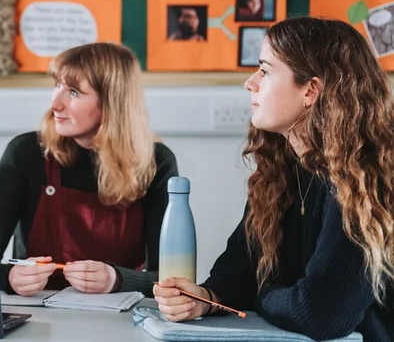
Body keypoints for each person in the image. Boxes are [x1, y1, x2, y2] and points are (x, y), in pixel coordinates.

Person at [154, 17, 394, 342]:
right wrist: (206, 298)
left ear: (311, 90)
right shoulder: (281, 169)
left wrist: (263, 294)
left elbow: (319, 313)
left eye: (265, 71)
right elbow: (239, 271)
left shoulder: (365, 177)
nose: (250, 83)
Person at [0, 43, 179, 298]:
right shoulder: (25, 152)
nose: (55, 104)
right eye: (57, 86)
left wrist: (116, 279)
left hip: (120, 319)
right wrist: (8, 276)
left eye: (73, 92)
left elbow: (170, 280)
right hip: (39, 316)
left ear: (112, 102)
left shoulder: (157, 162)